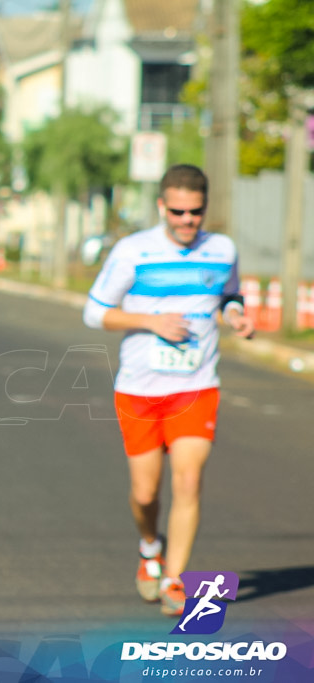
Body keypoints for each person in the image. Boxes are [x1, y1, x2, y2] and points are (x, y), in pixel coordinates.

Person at [83, 164, 255, 618]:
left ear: (205, 209)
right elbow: (94, 312)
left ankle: (175, 579)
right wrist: (151, 321)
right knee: (145, 493)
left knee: (189, 480)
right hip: (139, 389)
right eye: (177, 211)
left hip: (197, 386)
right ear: (162, 206)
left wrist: (237, 314)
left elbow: (230, 295)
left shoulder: (222, 250)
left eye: (194, 212)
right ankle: (148, 547)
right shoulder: (133, 251)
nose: (185, 220)